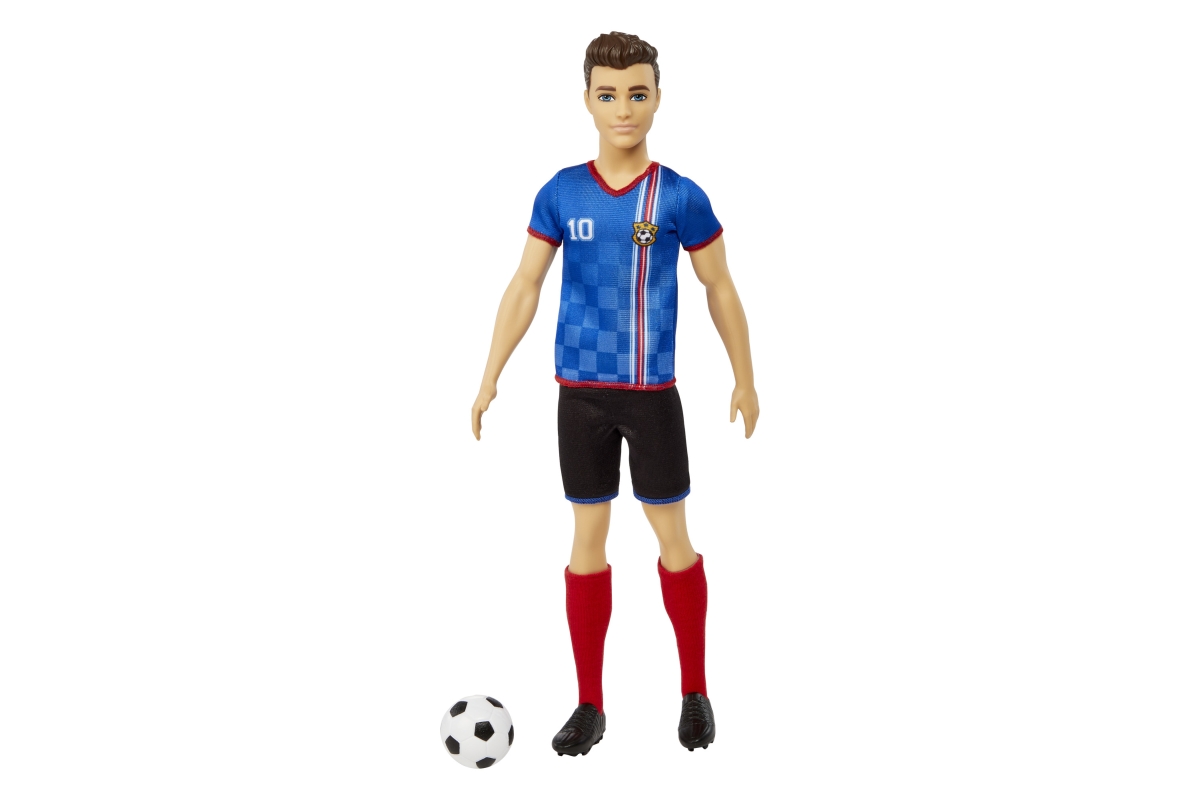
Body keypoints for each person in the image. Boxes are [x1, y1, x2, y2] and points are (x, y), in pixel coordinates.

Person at [471, 31, 758, 755]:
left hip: (651, 394)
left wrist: (746, 375)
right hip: (580, 396)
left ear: (657, 99)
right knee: (586, 543)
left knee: (673, 539)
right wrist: (490, 373)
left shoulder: (679, 195)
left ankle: (695, 691)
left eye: (637, 93)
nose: (623, 108)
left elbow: (719, 285)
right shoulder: (561, 192)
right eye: (608, 94)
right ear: (587, 101)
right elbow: (525, 283)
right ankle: (590, 704)